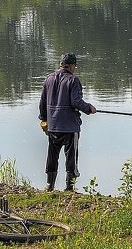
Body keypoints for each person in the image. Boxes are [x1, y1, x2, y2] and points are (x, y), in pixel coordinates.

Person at [38, 52, 97, 192]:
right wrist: (89, 108)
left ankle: (49, 186)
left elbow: (42, 103)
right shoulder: (73, 80)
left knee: (52, 155)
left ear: (61, 64)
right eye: (74, 66)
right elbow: (75, 102)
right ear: (71, 66)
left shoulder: (48, 79)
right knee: (71, 155)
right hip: (70, 126)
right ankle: (69, 188)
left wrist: (44, 119)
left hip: (52, 125)